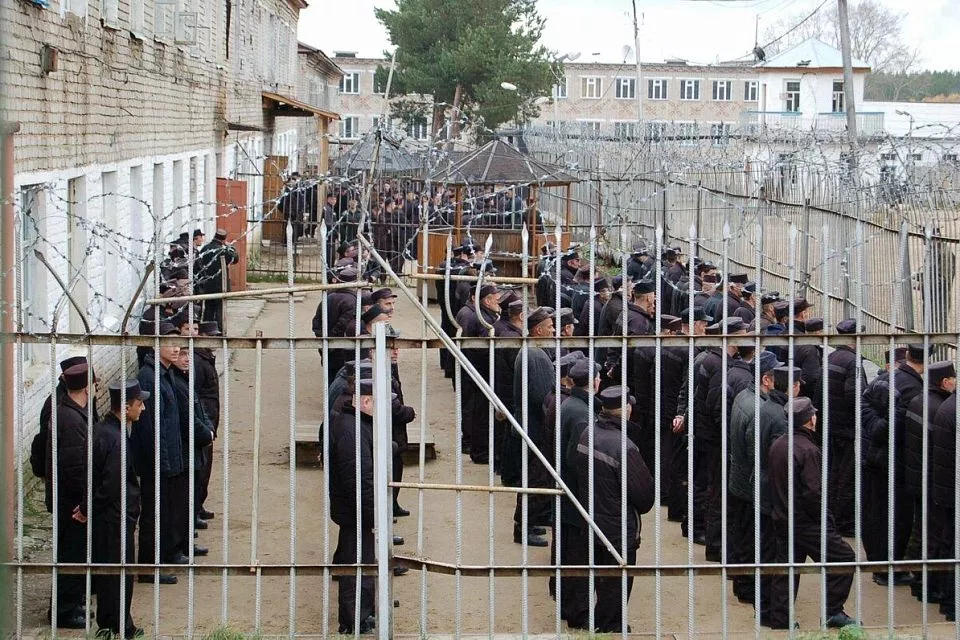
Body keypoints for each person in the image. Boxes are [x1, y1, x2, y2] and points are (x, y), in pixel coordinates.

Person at [569, 385, 655, 633]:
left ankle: (604, 622)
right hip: (619, 528)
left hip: (592, 522)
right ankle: (610, 628)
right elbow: (645, 497)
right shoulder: (624, 447)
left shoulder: (588, 433)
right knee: (617, 584)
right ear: (626, 409)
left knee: (601, 578)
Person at [767, 397, 857, 630]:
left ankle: (780, 617)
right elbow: (813, 493)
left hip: (783, 517)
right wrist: (825, 521)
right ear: (810, 420)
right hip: (806, 522)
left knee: (787, 567)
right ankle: (832, 611)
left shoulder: (779, 445)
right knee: (844, 558)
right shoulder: (808, 450)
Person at [861, 343, 926, 585]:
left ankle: (880, 565)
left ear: (907, 355)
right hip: (897, 461)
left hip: (877, 457)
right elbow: (898, 426)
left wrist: (874, 427)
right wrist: (879, 428)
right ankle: (889, 569)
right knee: (897, 518)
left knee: (879, 513)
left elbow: (864, 403)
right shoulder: (914, 389)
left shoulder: (889, 377)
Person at [91, 379, 149, 639]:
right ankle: (120, 626)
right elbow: (112, 484)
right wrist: (90, 508)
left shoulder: (106, 430)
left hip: (112, 515)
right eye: (139, 404)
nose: (143, 408)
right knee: (119, 575)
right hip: (116, 516)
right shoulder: (115, 439)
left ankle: (110, 623)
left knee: (110, 573)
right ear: (126, 407)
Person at [132, 322, 188, 584]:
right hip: (156, 462)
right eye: (170, 344)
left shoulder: (165, 373)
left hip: (168, 459)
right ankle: (148, 567)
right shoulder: (150, 377)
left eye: (178, 344)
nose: (176, 349)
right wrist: (162, 463)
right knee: (153, 515)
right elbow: (152, 428)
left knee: (164, 512)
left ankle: (162, 557)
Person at [726, 350, 782, 605]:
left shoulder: (744, 396)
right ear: (765, 380)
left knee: (743, 536)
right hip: (751, 486)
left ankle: (743, 584)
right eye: (776, 375)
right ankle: (748, 587)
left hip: (739, 480)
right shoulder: (759, 408)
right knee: (752, 539)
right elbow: (757, 455)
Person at [45, 362, 96, 629]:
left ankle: (72, 603)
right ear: (86, 388)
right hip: (71, 503)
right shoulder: (72, 419)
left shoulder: (70, 412)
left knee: (75, 553)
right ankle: (63, 611)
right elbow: (75, 468)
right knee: (70, 555)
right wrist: (84, 503)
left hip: (69, 499)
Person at [504, 306, 557, 547]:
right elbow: (542, 397)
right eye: (550, 327)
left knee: (534, 479)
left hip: (529, 427)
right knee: (535, 481)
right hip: (534, 430)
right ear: (538, 331)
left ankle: (533, 520)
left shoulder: (533, 351)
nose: (553, 331)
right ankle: (522, 528)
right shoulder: (535, 356)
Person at [328, 378, 378, 634]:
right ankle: (353, 621)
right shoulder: (352, 430)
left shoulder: (354, 424)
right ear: (366, 401)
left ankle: (361, 615)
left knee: (362, 564)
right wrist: (373, 515)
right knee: (356, 567)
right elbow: (358, 480)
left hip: (355, 510)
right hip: (355, 512)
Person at [903, 360, 955, 601]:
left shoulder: (920, 400)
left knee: (922, 532)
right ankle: (928, 586)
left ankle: (920, 582)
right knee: (935, 536)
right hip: (933, 482)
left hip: (918, 478)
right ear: (944, 382)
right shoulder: (940, 407)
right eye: (953, 379)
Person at [554, 358, 600, 629]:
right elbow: (578, 457)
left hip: (568, 489)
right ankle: (578, 612)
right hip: (577, 493)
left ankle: (567, 603)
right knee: (579, 554)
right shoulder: (582, 412)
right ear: (593, 382)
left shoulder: (571, 404)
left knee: (569, 550)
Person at [825, 319, 866, 537]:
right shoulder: (853, 362)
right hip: (849, 429)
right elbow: (854, 397)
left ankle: (832, 515)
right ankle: (845, 522)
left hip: (833, 425)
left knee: (835, 473)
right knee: (848, 476)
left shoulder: (832, 357)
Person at [458, 284, 500, 464]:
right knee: (476, 411)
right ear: (486, 301)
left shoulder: (473, 313)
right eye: (496, 300)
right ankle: (471, 444)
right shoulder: (479, 318)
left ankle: (470, 442)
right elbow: (480, 348)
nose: (498, 303)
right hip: (477, 370)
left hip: (471, 368)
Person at [931, 383, 959, 621]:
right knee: (953, 546)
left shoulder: (948, 405)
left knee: (948, 541)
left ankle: (946, 598)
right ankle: (951, 603)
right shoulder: (954, 409)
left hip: (947, 487)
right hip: (953, 488)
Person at [193, 321, 221, 523]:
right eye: (211, 336)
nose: (215, 340)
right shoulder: (198, 361)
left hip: (209, 421)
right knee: (200, 469)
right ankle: (193, 511)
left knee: (205, 468)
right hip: (203, 423)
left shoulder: (205, 358)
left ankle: (198, 506)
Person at [195, 229, 239, 329]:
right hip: (220, 285)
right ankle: (219, 330)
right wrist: (230, 247)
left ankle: (207, 329)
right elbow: (235, 259)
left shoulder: (205, 249)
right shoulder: (223, 251)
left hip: (207, 284)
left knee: (208, 309)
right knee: (220, 309)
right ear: (223, 240)